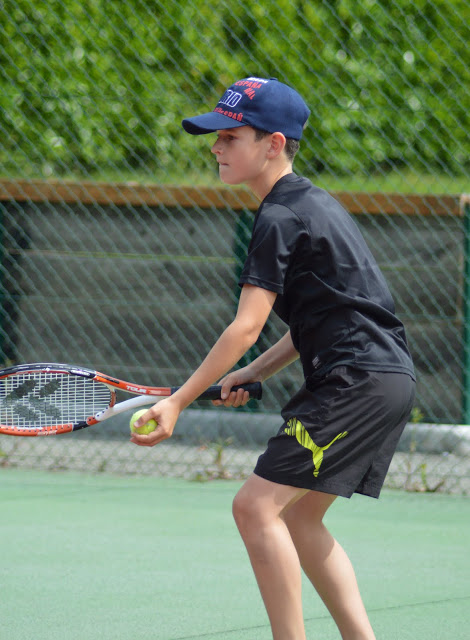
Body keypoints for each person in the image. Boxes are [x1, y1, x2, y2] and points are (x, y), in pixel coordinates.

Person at [131, 76, 415, 640]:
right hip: (383, 377)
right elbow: (325, 316)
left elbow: (246, 326)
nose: (216, 147)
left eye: (231, 137)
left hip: (355, 381)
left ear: (274, 144)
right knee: (299, 519)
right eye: (216, 137)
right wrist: (255, 371)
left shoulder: (279, 217)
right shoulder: (314, 203)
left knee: (255, 508)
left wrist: (178, 402)